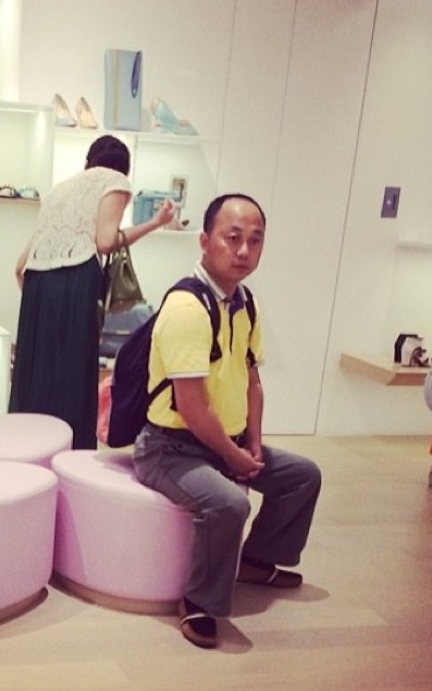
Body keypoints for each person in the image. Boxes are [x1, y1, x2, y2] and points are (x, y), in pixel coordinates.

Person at [132, 193, 321, 649]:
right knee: (229, 503)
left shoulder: (244, 302)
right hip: (170, 449)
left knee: (302, 476)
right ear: (204, 241)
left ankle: (256, 561)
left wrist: (253, 443)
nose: (243, 251)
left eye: (255, 241)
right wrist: (231, 456)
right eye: (232, 238)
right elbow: (192, 406)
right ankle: (199, 601)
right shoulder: (186, 308)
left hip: (224, 442)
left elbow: (252, 380)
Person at [9, 135, 176, 449]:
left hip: (37, 285)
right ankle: (70, 453)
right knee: (74, 376)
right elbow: (105, 241)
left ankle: (28, 448)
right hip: (76, 281)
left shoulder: (59, 190)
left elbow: (19, 267)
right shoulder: (115, 181)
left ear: (89, 161)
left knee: (37, 374)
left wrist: (41, 304)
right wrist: (156, 222)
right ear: (124, 167)